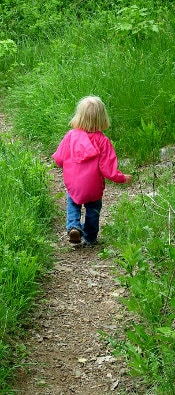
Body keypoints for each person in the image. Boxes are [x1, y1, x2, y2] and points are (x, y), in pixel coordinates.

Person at [52, 96, 132, 246]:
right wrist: (121, 178)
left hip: (73, 183)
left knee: (73, 203)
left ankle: (74, 226)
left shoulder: (70, 136)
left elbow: (59, 159)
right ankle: (89, 237)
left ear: (79, 116)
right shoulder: (103, 141)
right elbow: (108, 169)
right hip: (93, 186)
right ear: (102, 118)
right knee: (93, 209)